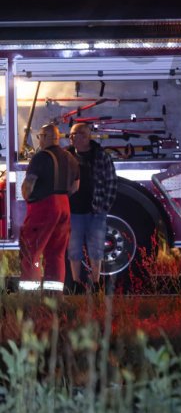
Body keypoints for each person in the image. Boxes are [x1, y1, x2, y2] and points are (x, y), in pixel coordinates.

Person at [19, 124, 79, 293]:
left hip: (44, 206)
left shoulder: (40, 157)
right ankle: (54, 296)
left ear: (46, 137)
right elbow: (75, 187)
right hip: (64, 206)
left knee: (32, 252)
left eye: (40, 137)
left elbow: (29, 185)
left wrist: (28, 197)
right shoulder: (71, 158)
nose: (40, 140)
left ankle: (29, 297)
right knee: (56, 254)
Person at [66, 122, 117, 292]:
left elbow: (111, 182)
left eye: (78, 134)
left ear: (87, 136)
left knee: (96, 249)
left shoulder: (101, 156)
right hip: (72, 212)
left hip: (95, 212)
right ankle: (75, 284)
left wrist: (104, 207)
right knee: (73, 249)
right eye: (71, 134)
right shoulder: (66, 156)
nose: (73, 137)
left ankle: (95, 283)